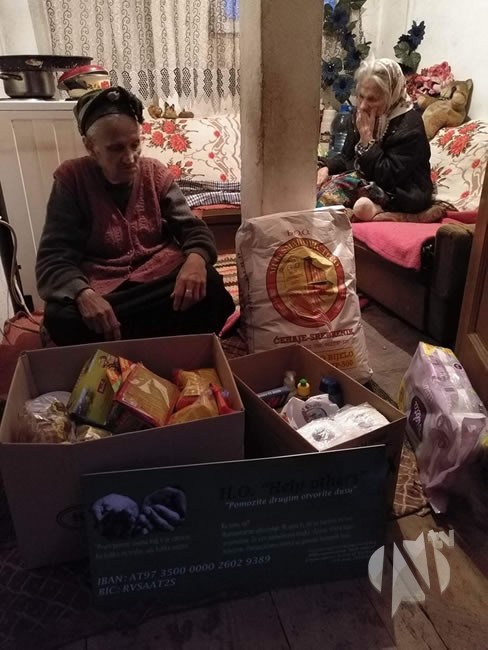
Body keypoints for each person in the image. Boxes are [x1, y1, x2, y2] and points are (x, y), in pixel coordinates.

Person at [36, 86, 235, 346]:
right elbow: (53, 259)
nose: (130, 158)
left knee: (210, 284)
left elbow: (192, 229)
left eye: (135, 144)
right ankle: (158, 338)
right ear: (91, 147)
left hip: (159, 277)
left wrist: (195, 260)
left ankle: (124, 340)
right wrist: (83, 294)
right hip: (105, 288)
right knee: (60, 317)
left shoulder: (155, 173)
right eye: (116, 148)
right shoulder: (71, 180)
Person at [316, 58, 433, 221]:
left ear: (391, 96)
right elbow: (347, 157)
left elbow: (388, 177)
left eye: (372, 99)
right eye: (361, 96)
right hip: (370, 180)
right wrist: (326, 167)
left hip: (402, 191)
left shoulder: (410, 125)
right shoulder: (361, 113)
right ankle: (370, 207)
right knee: (316, 178)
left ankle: (376, 208)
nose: (363, 105)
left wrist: (367, 138)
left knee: (341, 186)